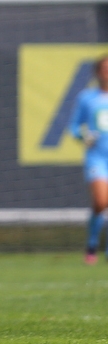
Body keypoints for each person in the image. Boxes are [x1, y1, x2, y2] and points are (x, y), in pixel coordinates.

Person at [69, 55, 108, 264]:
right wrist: (83, 136)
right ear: (97, 72)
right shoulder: (87, 98)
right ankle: (92, 242)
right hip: (98, 159)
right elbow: (74, 127)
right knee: (101, 203)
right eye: (104, 68)